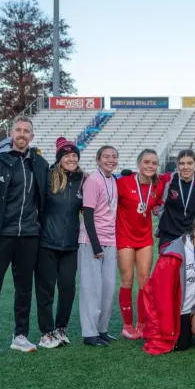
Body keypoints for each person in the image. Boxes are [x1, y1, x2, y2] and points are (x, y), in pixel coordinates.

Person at [0, 116, 49, 357]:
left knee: (24, 289)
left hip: (29, 236)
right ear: (10, 133)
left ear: (32, 137)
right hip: (0, 236)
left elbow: (50, 192)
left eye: (27, 131)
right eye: (18, 130)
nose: (22, 134)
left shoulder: (40, 164)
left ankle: (20, 336)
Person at [34, 137, 84, 349]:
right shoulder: (48, 178)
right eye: (66, 156)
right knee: (45, 290)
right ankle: (46, 332)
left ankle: (60, 328)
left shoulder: (83, 180)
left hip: (71, 246)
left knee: (67, 288)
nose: (71, 159)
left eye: (74, 155)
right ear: (59, 159)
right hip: (46, 243)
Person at [142, 216, 195, 354]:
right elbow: (160, 291)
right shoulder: (175, 252)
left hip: (193, 309)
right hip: (175, 308)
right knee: (180, 345)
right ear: (193, 231)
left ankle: (193, 328)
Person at [116, 149, 162, 340]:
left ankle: (142, 324)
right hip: (125, 236)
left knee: (145, 281)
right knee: (127, 280)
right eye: (146, 162)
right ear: (139, 163)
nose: (150, 166)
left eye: (153, 163)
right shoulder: (123, 182)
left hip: (145, 238)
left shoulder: (157, 185)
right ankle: (127, 325)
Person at [78, 146, 119, 346]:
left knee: (108, 288)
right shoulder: (93, 181)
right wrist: (96, 245)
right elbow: (87, 214)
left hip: (110, 241)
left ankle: (102, 329)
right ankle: (89, 333)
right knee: (92, 289)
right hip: (92, 242)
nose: (110, 160)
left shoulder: (114, 179)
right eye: (106, 157)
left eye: (114, 157)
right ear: (98, 159)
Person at [156, 149, 195, 248]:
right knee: (167, 263)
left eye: (190, 163)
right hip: (168, 236)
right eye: (182, 163)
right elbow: (149, 178)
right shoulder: (168, 180)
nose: (186, 167)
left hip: (193, 236)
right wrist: (131, 175)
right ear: (177, 165)